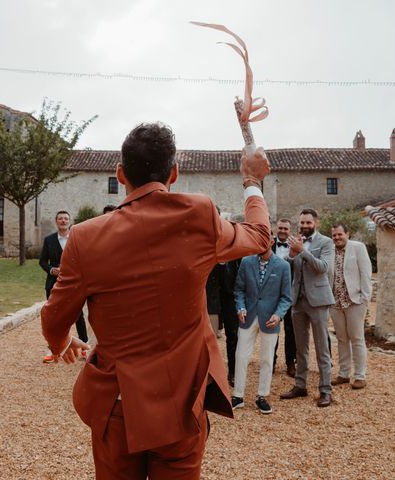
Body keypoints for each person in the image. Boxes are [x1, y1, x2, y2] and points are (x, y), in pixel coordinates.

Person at [41, 122, 271, 479]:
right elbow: (258, 236)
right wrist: (251, 181)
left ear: (120, 175)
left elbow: (53, 319)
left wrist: (61, 342)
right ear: (174, 173)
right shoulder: (199, 215)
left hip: (118, 403)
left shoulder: (84, 238)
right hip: (182, 402)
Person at [280, 208, 335, 408]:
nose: (304, 226)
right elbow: (289, 267)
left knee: (322, 348)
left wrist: (303, 251)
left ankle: (325, 390)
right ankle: (300, 385)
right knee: (300, 347)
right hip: (298, 301)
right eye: (302, 223)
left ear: (316, 223)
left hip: (319, 301)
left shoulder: (326, 242)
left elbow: (323, 268)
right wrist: (292, 255)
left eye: (308, 223)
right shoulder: (294, 241)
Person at [232, 236, 291, 414]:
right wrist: (240, 307)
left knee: (267, 359)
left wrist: (278, 315)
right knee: (241, 355)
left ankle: (262, 396)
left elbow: (286, 297)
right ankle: (237, 396)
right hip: (248, 316)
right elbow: (239, 289)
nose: (259, 246)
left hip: (270, 319)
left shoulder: (283, 266)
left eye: (263, 242)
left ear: (271, 242)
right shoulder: (246, 261)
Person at [39, 210, 88, 363]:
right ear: (56, 221)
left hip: (74, 283)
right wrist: (52, 270)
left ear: (70, 221)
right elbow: (42, 261)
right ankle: (53, 350)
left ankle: (84, 346)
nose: (63, 221)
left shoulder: (76, 238)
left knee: (78, 315)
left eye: (66, 218)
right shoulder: (49, 240)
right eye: (60, 218)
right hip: (53, 283)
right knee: (52, 317)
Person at [330, 223, 372, 389]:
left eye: (340, 234)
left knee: (356, 338)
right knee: (341, 339)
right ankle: (343, 374)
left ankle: (360, 376)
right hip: (336, 302)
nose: (337, 238)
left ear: (347, 234)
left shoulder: (358, 248)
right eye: (334, 235)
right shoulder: (330, 250)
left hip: (355, 301)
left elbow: (366, 273)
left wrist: (365, 298)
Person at [272, 218, 296, 377]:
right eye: (280, 228)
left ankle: (290, 363)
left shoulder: (295, 246)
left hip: (290, 293)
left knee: (291, 330)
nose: (282, 231)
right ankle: (270, 361)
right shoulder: (267, 244)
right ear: (276, 228)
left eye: (285, 229)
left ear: (290, 231)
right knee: (272, 328)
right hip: (271, 293)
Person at [219, 257, 241, 387]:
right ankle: (232, 372)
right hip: (224, 298)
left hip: (243, 297)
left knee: (239, 336)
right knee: (232, 336)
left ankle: (236, 371)